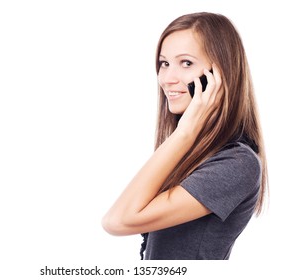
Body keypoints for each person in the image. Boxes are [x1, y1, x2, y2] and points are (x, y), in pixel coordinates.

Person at [101, 12, 268, 260]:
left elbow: (117, 221)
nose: (167, 78)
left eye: (186, 63)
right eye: (164, 63)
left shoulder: (237, 163)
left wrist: (185, 133)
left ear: (220, 75)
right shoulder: (193, 152)